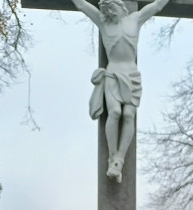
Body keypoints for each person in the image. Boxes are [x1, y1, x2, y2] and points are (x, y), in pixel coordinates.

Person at [70, 0, 171, 182]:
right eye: (106, 10)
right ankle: (111, 157)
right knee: (115, 112)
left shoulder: (136, 19)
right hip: (113, 74)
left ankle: (119, 160)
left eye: (111, 9)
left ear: (120, 6)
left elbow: (156, 6)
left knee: (129, 115)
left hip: (131, 75)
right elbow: (83, 6)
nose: (109, 13)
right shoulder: (103, 23)